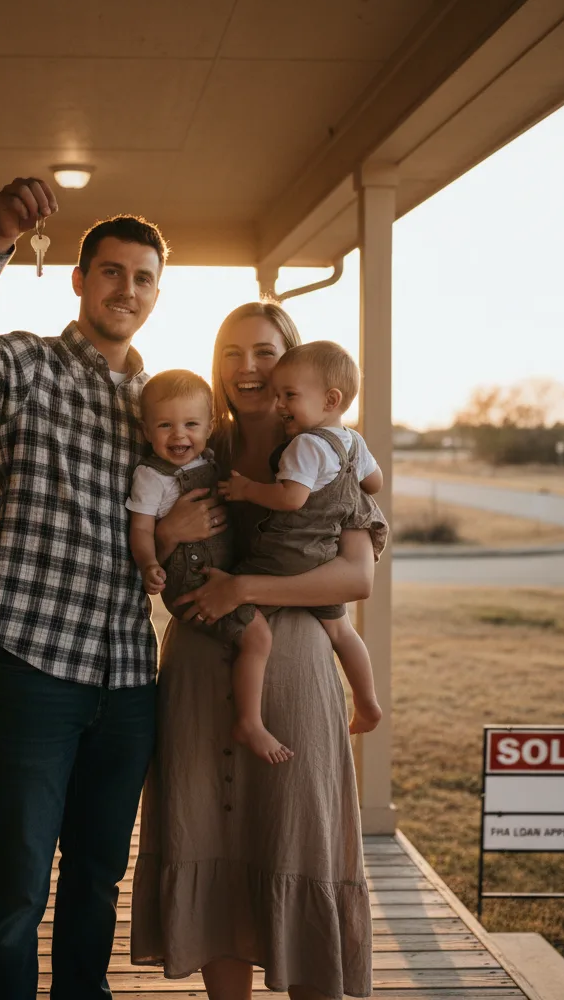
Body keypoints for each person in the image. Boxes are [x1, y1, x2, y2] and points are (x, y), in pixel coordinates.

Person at [0, 177, 179, 1000]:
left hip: (130, 675)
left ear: (156, 293)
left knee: (98, 873)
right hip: (34, 663)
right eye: (110, 271)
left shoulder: (162, 406)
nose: (124, 289)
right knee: (19, 879)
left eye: (141, 277)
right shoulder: (27, 368)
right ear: (79, 278)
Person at [131, 301, 376, 999]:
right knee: (207, 834)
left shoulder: (329, 454)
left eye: (265, 353)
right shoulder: (188, 446)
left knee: (299, 837)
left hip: (293, 667)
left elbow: (357, 576)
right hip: (196, 675)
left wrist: (244, 587)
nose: (247, 369)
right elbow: (148, 562)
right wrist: (171, 535)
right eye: (232, 353)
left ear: (293, 362)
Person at [218, 339, 387, 750]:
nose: (280, 405)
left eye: (289, 395)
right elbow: (374, 483)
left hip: (285, 556)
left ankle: (247, 718)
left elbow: (290, 499)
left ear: (330, 399)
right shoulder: (352, 441)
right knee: (343, 631)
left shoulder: (305, 445)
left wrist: (246, 490)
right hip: (322, 558)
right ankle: (367, 704)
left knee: (249, 624)